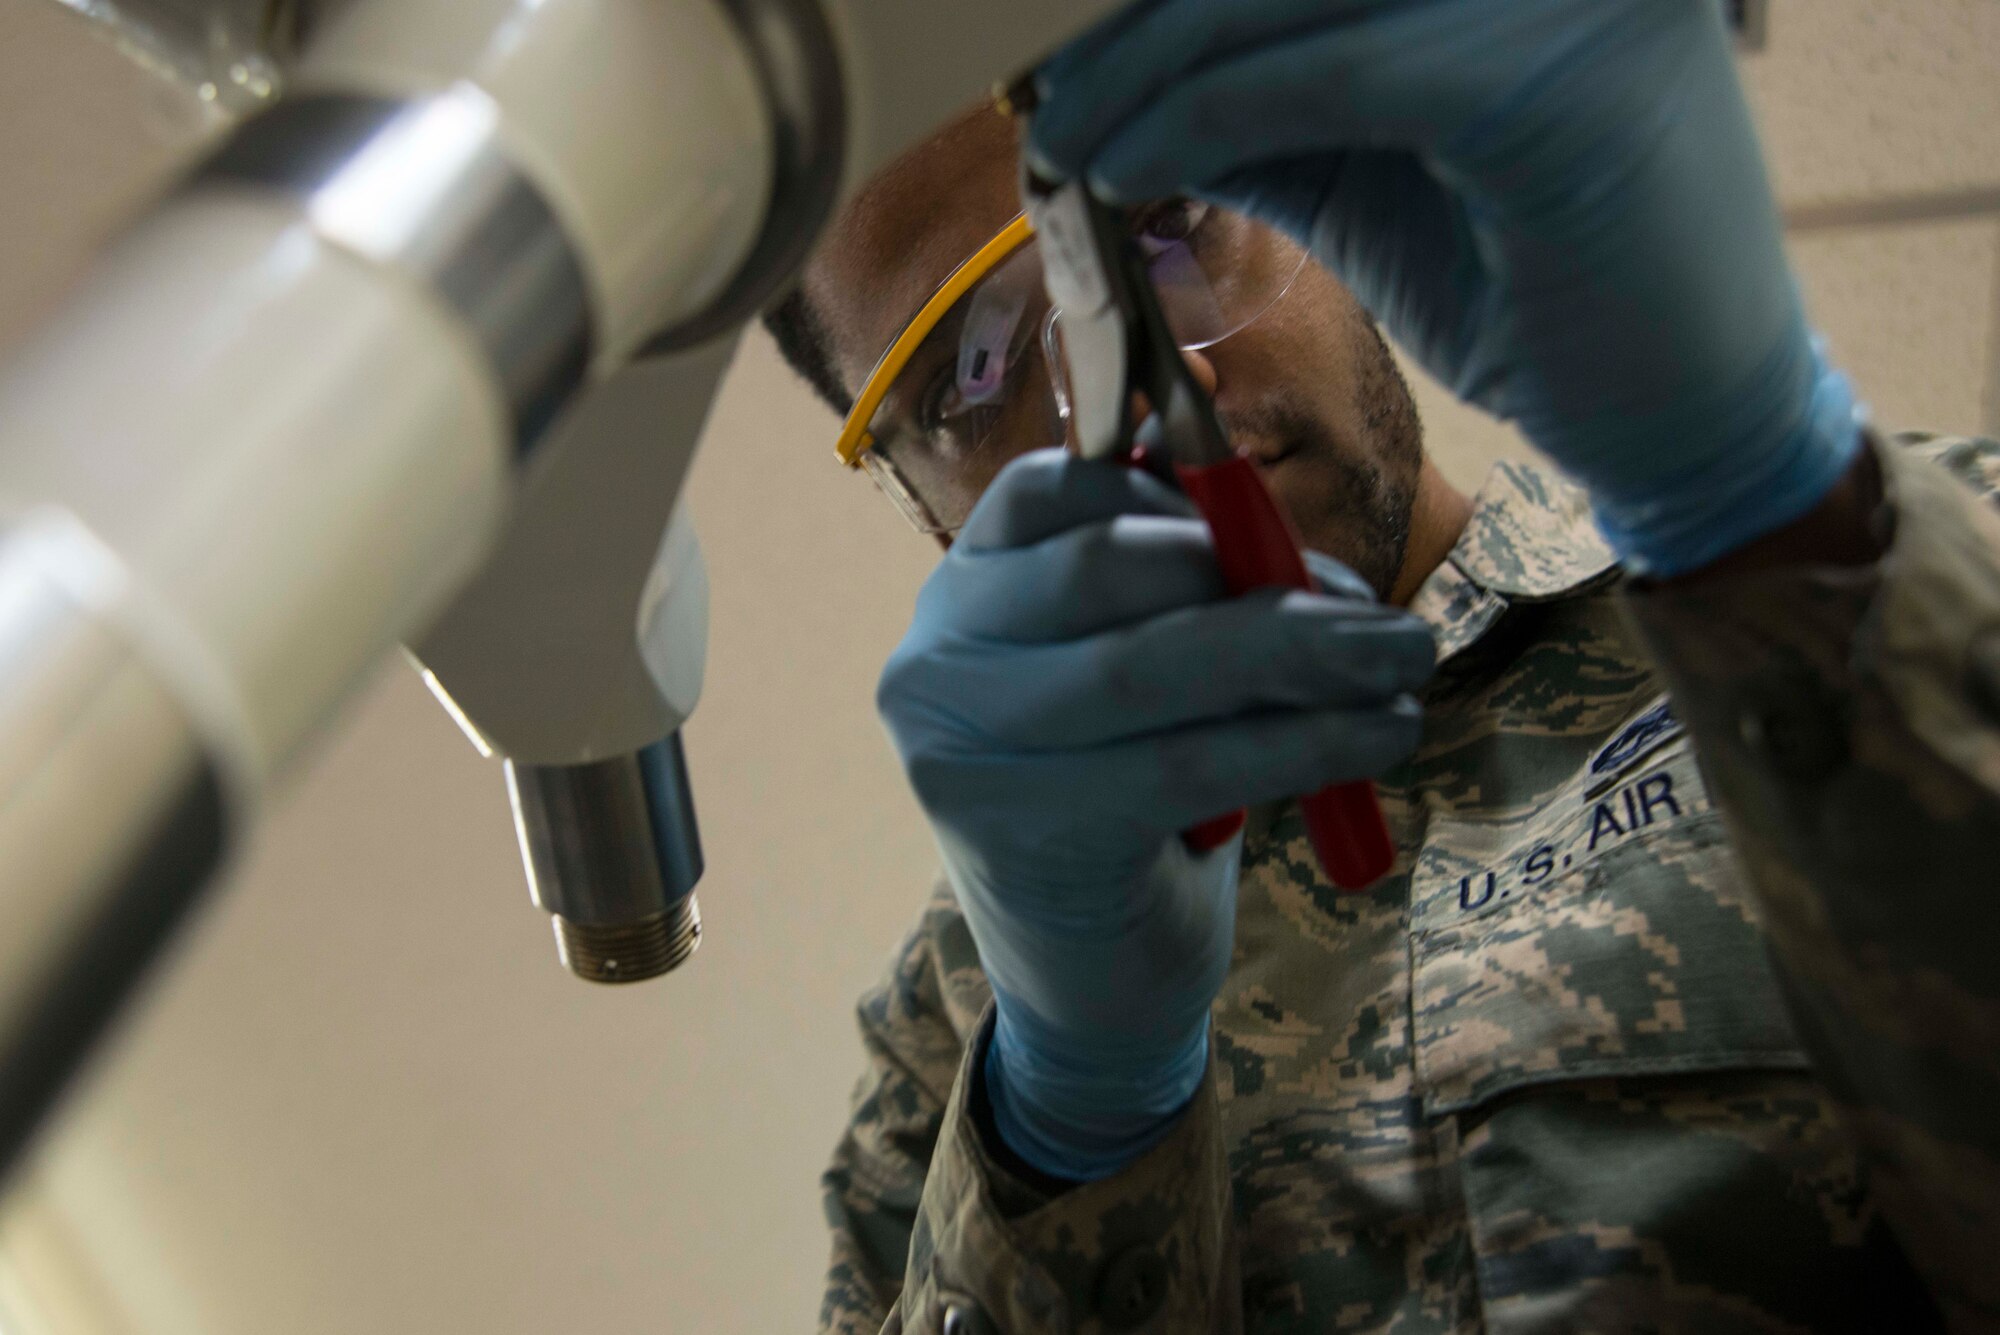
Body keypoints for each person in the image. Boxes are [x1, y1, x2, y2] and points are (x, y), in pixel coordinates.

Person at [764, 2, 2000, 1330]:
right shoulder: (960, 1043)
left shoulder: (1928, 562)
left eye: (1168, 227)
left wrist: (1768, 505)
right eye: (971, 375)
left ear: (1313, 199)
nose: (1121, 395)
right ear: (923, 504)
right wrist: (1073, 1118)